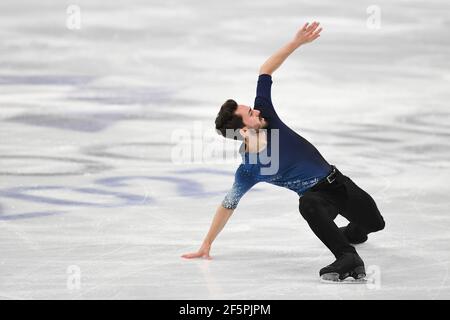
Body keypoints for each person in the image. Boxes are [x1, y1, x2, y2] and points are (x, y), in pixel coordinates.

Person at [181, 22, 385, 282]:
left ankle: (353, 234)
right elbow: (227, 204)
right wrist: (206, 244)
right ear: (244, 131)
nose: (257, 111)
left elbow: (264, 70)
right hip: (317, 199)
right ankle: (347, 257)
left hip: (339, 183)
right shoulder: (250, 169)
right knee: (307, 204)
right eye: (250, 114)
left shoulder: (268, 116)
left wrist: (296, 42)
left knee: (375, 223)